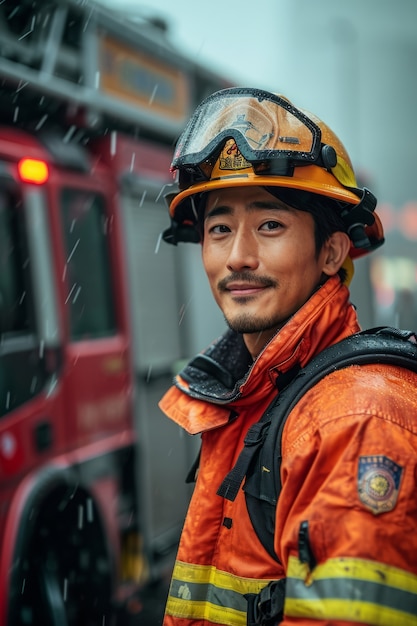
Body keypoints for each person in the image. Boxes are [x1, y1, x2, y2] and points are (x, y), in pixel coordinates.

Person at [159, 87, 417, 625]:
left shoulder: (356, 420)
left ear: (331, 252)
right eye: (219, 228)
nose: (237, 257)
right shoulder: (256, 396)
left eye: (270, 225)